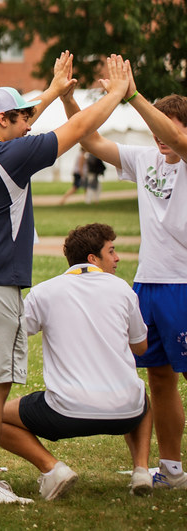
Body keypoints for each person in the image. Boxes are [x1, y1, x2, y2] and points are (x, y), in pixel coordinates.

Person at [0, 52, 129, 504]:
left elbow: (13, 125)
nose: (29, 123)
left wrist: (51, 92)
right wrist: (118, 94)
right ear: (3, 118)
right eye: (21, 117)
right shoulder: (12, 157)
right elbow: (78, 131)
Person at [59, 55, 187, 489]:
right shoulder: (145, 158)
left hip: (184, 286)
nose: (159, 136)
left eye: (167, 128)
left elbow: (177, 138)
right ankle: (170, 471)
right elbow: (91, 141)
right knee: (159, 378)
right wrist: (68, 100)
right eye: (155, 129)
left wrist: (133, 95)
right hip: (148, 286)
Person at [0, 223, 152, 499]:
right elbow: (141, 347)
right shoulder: (123, 289)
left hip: (64, 412)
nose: (117, 258)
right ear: (93, 259)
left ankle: (52, 468)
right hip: (126, 412)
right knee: (142, 396)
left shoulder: (46, 291)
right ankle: (141, 470)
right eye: (112, 251)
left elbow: (16, 331)